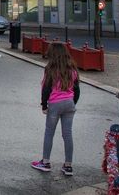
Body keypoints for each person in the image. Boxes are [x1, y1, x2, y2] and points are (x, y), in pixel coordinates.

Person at [31, 42, 80, 176]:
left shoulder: (50, 69)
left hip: (55, 104)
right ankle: (68, 165)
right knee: (67, 134)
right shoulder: (73, 69)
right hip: (69, 103)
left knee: (49, 133)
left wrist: (44, 105)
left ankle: (45, 162)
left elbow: (46, 89)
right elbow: (77, 89)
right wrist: (72, 103)